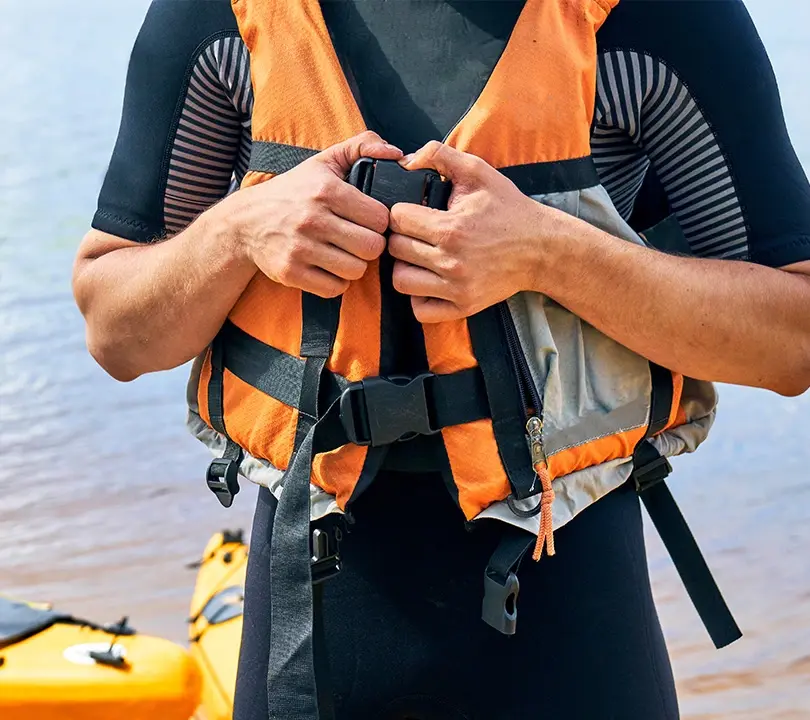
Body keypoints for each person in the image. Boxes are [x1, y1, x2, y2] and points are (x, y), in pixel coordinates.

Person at [73, 1, 810, 718]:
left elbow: (792, 343)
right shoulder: (222, 16)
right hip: (310, 623)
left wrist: (548, 253)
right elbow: (117, 333)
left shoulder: (658, 17)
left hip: (574, 617)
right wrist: (232, 232)